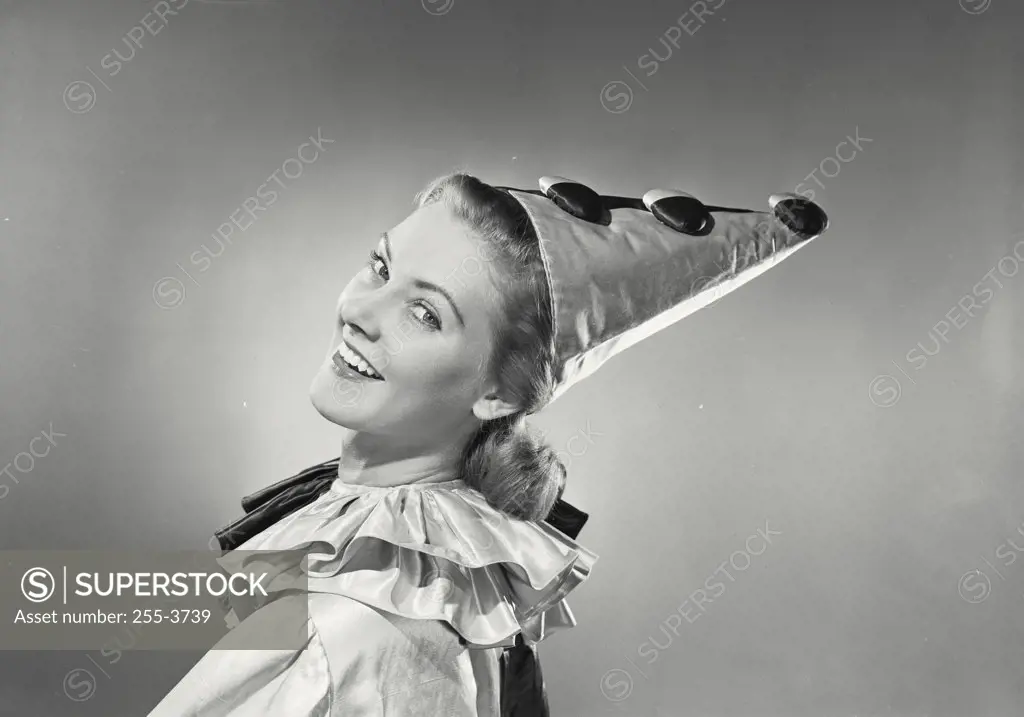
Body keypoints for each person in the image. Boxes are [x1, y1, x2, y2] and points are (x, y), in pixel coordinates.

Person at [146, 173, 829, 716]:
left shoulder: (358, 629)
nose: (358, 310)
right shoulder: (431, 558)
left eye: (425, 313)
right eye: (380, 267)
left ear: (497, 394)